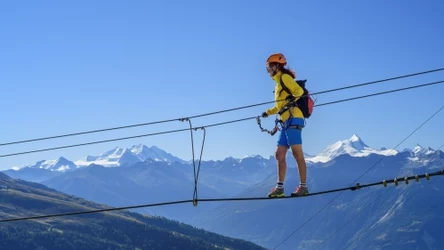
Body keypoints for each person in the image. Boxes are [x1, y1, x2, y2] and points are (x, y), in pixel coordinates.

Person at [261, 52, 309, 198]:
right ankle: (280, 188)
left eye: (268, 67)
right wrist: (267, 113)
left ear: (276, 66)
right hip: (285, 121)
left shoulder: (285, 78)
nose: (268, 70)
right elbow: (279, 106)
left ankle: (303, 187)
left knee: (297, 153)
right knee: (279, 154)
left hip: (294, 118)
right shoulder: (277, 84)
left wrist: (291, 97)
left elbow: (299, 91)